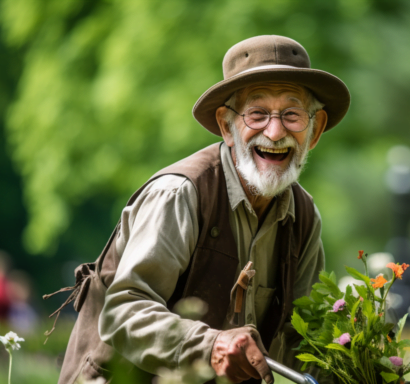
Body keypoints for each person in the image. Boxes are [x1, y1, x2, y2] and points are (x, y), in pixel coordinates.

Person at [49, 35, 350, 384]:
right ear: (226, 125)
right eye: (257, 113)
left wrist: (361, 369)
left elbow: (303, 339)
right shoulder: (179, 193)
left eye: (292, 115)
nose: (275, 130)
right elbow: (122, 314)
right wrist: (212, 345)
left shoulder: (304, 217)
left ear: (314, 131)